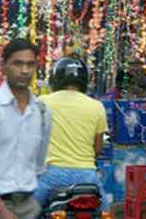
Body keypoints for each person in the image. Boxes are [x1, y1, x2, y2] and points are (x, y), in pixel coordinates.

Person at [0, 39, 52, 219]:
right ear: (3, 66)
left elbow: (38, 164)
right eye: (17, 63)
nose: (25, 70)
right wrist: (1, 211)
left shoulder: (42, 113)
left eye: (30, 64)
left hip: (27, 206)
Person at [33, 57, 108, 208]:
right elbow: (98, 149)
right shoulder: (97, 106)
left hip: (51, 175)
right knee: (105, 210)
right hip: (87, 176)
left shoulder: (42, 102)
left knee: (25, 212)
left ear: (56, 78)